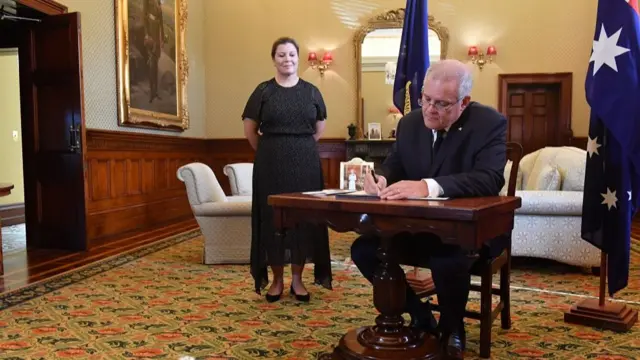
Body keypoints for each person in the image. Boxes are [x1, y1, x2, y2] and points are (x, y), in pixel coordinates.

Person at [350, 59, 507, 359]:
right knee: (364, 250)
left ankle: (452, 327)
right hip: (416, 228)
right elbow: (394, 166)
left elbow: (489, 178)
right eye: (426, 99)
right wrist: (380, 179)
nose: (430, 109)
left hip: (469, 232)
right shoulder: (410, 123)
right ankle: (420, 315)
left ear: (464, 102)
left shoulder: (488, 123)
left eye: (442, 104)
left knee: (447, 259)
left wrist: (427, 186)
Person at [242, 37, 332, 303]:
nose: (287, 59)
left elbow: (319, 128)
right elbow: (250, 130)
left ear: (298, 57)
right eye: (281, 55)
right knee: (272, 220)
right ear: (274, 59)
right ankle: (277, 280)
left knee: (303, 221)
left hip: (305, 164)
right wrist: (273, 148)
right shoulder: (263, 91)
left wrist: (298, 146)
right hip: (270, 163)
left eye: (291, 54)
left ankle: (298, 280)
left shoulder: (312, 91)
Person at [143, 0, 164, 103]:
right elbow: (144, 17)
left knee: (155, 65)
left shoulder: (158, 2)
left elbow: (161, 21)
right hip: (150, 37)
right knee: (152, 65)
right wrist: (147, 34)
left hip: (157, 37)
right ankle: (152, 92)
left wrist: (162, 39)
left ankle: (155, 92)